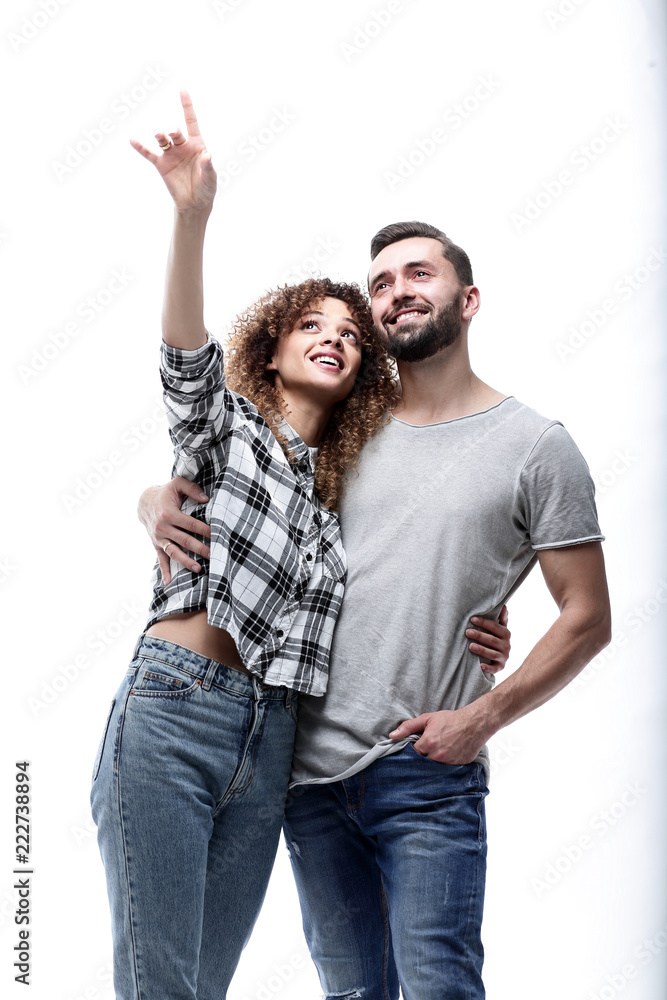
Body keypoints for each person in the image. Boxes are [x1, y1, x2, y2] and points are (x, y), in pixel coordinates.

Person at [91, 92, 508, 1000]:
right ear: (271, 347)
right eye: (313, 325)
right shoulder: (227, 426)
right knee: (157, 985)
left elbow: (419, 565)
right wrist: (192, 214)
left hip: (275, 741)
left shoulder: (341, 495)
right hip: (175, 708)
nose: (335, 338)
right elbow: (182, 361)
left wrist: (480, 616)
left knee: (204, 985)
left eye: (351, 335)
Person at [144, 220, 611, 999]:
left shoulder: (536, 447)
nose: (397, 293)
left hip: (425, 772)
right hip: (300, 776)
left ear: (466, 299)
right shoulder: (341, 430)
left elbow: (587, 615)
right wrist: (155, 497)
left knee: (438, 988)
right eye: (382, 284)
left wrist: (484, 715)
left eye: (417, 275)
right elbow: (236, 467)